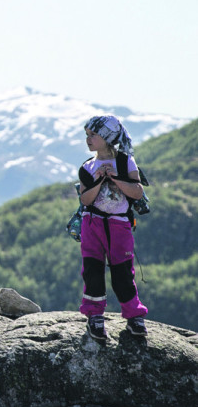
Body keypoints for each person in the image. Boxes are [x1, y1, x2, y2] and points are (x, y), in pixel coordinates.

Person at [78, 115, 148, 340]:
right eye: (87, 135)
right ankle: (95, 316)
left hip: (119, 224)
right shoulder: (88, 167)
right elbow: (85, 200)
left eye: (93, 135)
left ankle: (134, 316)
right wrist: (99, 181)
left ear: (107, 137)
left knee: (123, 273)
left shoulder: (125, 162)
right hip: (93, 224)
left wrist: (116, 178)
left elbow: (137, 192)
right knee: (92, 270)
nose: (88, 139)